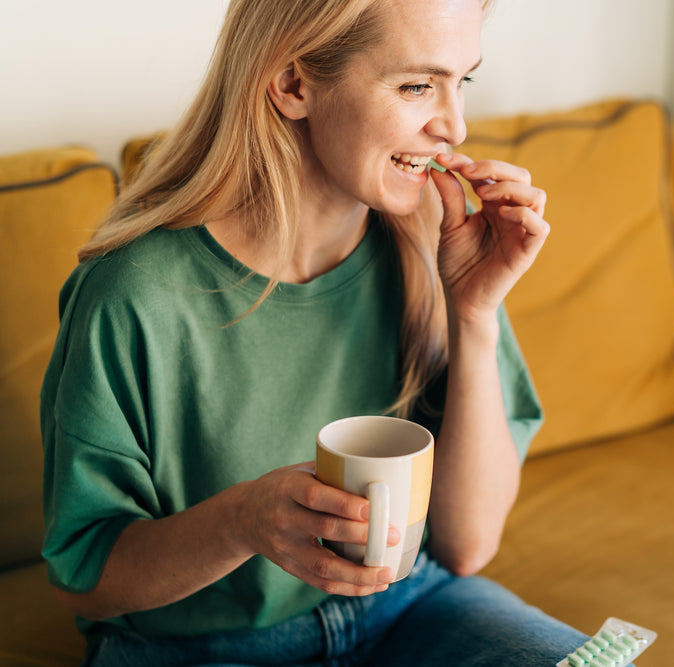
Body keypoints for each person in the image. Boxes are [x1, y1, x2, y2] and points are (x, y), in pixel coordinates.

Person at [40, 0, 594, 664]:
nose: (454, 125)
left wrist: (472, 314)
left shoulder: (429, 246)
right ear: (295, 83)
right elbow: (86, 578)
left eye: (461, 81)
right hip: (200, 646)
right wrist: (244, 520)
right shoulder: (134, 293)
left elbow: (468, 545)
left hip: (406, 604)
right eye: (418, 85)